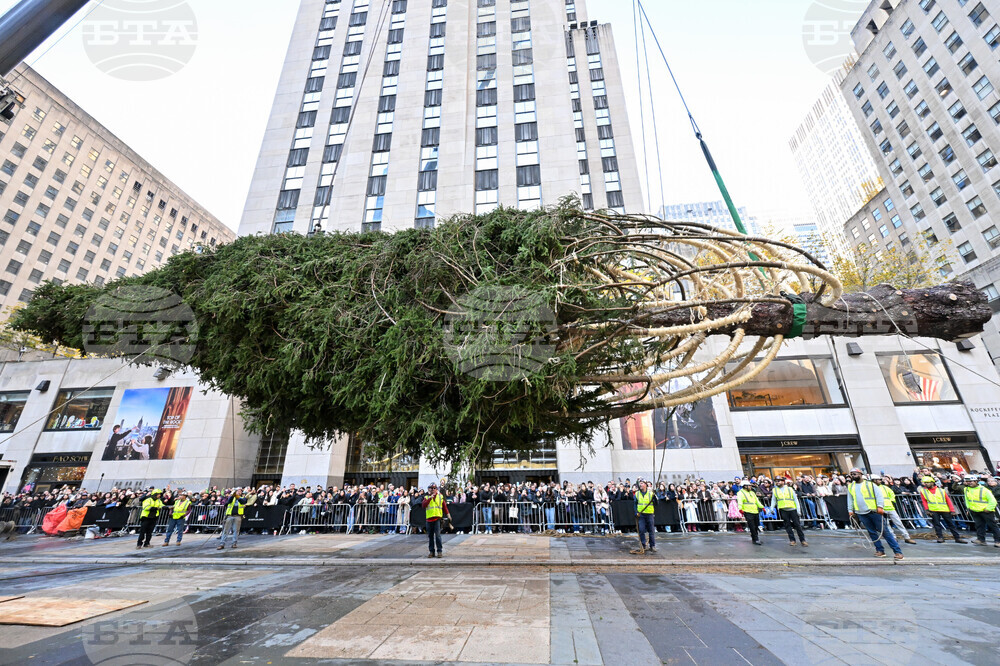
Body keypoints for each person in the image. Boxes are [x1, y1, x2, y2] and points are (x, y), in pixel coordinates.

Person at [847, 469, 903, 560]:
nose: (853, 476)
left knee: (885, 532)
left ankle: (897, 551)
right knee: (872, 532)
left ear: (861, 474)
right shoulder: (851, 486)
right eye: (851, 474)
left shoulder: (870, 485)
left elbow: (879, 495)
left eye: (855, 474)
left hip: (873, 511)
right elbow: (850, 499)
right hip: (861, 512)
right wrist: (850, 510)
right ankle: (880, 550)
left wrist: (880, 507)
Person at [918, 475, 967, 544]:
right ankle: (940, 537)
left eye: (927, 482)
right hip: (933, 510)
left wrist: (952, 510)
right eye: (924, 483)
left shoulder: (941, 490)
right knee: (937, 525)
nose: (925, 484)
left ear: (932, 482)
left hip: (944, 509)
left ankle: (957, 537)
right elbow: (924, 501)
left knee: (951, 524)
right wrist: (927, 510)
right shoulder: (923, 491)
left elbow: (948, 500)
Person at [872, 475, 916, 545]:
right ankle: (893, 537)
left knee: (898, 522)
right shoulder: (872, 489)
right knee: (887, 524)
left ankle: (907, 537)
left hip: (890, 507)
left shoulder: (884, 487)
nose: (880, 481)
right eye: (878, 479)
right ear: (874, 480)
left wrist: (892, 501)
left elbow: (892, 494)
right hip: (881, 508)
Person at [962, 475, 1000, 547]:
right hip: (975, 510)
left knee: (993, 526)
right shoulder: (966, 489)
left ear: (976, 481)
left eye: (971, 481)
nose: (969, 483)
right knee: (979, 526)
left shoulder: (984, 490)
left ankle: (998, 541)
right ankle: (981, 540)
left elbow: (993, 501)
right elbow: (967, 499)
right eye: (967, 481)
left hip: (986, 511)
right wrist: (968, 507)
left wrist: (988, 509)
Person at [770, 477, 807, 547]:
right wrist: (771, 508)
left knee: (797, 525)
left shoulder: (790, 489)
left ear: (783, 481)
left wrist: (798, 510)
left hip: (792, 509)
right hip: (783, 509)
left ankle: (803, 540)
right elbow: (773, 500)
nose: (777, 482)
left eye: (779, 481)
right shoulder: (775, 490)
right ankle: (792, 540)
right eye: (776, 481)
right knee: (787, 526)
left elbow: (795, 500)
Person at [422, 483, 449, 558]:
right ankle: (431, 551)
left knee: (438, 536)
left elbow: (444, 506)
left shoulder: (440, 496)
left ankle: (439, 551)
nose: (432, 490)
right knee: (430, 536)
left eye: (434, 488)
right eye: (431, 488)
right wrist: (430, 497)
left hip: (437, 519)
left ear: (436, 489)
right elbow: (423, 505)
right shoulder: (426, 497)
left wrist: (448, 514)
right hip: (429, 519)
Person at [631, 480, 656, 554]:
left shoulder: (651, 493)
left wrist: (655, 498)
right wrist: (636, 512)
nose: (640, 485)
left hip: (649, 513)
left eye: (642, 483)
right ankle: (643, 545)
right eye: (640, 484)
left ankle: (652, 545)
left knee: (651, 530)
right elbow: (635, 504)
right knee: (641, 530)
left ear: (645, 485)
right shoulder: (637, 494)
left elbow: (656, 503)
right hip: (641, 515)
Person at [737, 481, 764, 545]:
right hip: (747, 511)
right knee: (752, 526)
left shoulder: (752, 492)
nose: (750, 486)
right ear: (745, 486)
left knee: (756, 525)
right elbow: (740, 501)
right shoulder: (740, 493)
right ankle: (755, 539)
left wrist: (762, 507)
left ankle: (755, 538)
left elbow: (756, 501)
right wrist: (740, 509)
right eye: (749, 485)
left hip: (755, 510)